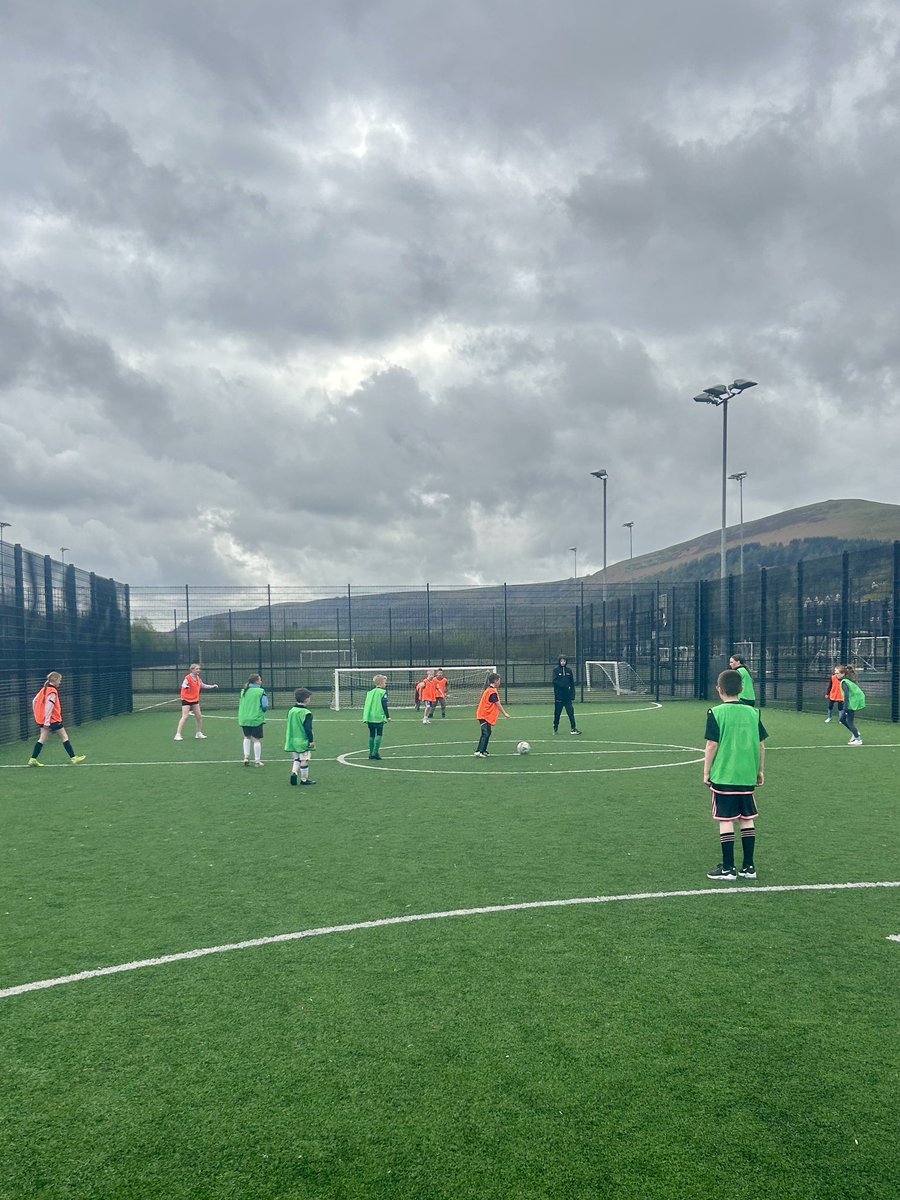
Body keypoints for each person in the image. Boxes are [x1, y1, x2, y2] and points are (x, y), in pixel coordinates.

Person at [703, 668, 767, 881]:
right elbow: (761, 744)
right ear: (741, 689)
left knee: (726, 819)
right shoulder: (753, 712)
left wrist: (706, 772)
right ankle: (749, 867)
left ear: (719, 690)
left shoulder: (716, 712)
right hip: (746, 774)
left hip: (724, 774)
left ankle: (728, 868)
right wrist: (759, 771)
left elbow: (712, 744)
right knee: (747, 819)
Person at [27, 672, 86, 766]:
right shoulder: (52, 692)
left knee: (42, 739)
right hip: (53, 720)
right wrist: (47, 721)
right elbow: (49, 707)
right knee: (64, 737)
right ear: (54, 680)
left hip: (43, 719)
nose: (60, 682)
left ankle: (33, 759)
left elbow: (34, 701)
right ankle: (74, 758)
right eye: (59, 680)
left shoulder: (43, 689)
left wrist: (37, 714)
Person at [174, 664, 218, 740]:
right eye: (197, 669)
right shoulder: (188, 678)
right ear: (192, 670)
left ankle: (198, 733)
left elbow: (202, 685)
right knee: (185, 716)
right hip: (186, 699)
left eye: (199, 669)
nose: (198, 670)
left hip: (195, 699)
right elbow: (183, 684)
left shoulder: (198, 678)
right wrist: (186, 686)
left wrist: (212, 686)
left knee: (199, 716)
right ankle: (178, 734)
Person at [474, 672, 511, 757]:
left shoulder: (490, 690)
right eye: (499, 681)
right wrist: (505, 713)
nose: (499, 683)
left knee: (487, 732)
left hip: (484, 715)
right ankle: (479, 751)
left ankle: (482, 750)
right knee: (485, 733)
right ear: (495, 681)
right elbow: (498, 704)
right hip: (483, 715)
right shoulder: (492, 691)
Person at [285, 687, 316, 785]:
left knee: (296, 759)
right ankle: (304, 779)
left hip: (292, 740)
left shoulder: (292, 711)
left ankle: (294, 772)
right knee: (304, 759)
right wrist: (311, 741)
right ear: (306, 699)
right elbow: (308, 728)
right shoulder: (306, 713)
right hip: (302, 740)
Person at [238, 673, 268, 766]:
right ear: (256, 681)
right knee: (256, 740)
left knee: (247, 737)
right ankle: (257, 761)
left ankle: (246, 757)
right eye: (260, 679)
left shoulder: (244, 691)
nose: (261, 681)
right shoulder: (260, 691)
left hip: (244, 718)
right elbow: (265, 705)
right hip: (255, 718)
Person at [363, 674, 391, 760]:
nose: (385, 685)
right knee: (379, 733)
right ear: (381, 683)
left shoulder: (370, 692)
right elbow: (384, 705)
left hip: (370, 716)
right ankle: (375, 752)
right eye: (385, 683)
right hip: (378, 716)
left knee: (372, 735)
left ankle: (371, 753)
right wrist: (388, 716)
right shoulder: (382, 692)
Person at [835, 665, 865, 746]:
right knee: (842, 719)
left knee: (850, 722)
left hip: (849, 705)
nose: (836, 675)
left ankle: (858, 740)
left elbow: (847, 695)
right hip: (850, 704)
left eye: (837, 673)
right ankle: (855, 733)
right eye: (835, 673)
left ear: (842, 673)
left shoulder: (844, 682)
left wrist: (845, 707)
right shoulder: (846, 681)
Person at [552, 655, 581, 735]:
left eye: (564, 661)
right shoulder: (556, 671)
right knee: (557, 713)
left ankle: (573, 728)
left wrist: (572, 695)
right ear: (559, 662)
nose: (563, 662)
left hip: (567, 697)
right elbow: (554, 681)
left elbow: (572, 683)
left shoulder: (569, 671)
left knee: (571, 713)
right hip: (559, 697)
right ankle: (555, 728)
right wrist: (563, 686)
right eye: (561, 661)